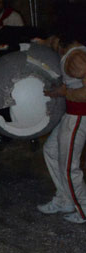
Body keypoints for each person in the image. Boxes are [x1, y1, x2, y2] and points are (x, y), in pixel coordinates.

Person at [38, 26, 86, 224]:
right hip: (71, 114)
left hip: (79, 116)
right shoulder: (73, 51)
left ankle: (83, 208)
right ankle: (65, 199)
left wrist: (63, 93)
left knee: (69, 167)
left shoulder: (76, 58)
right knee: (50, 150)